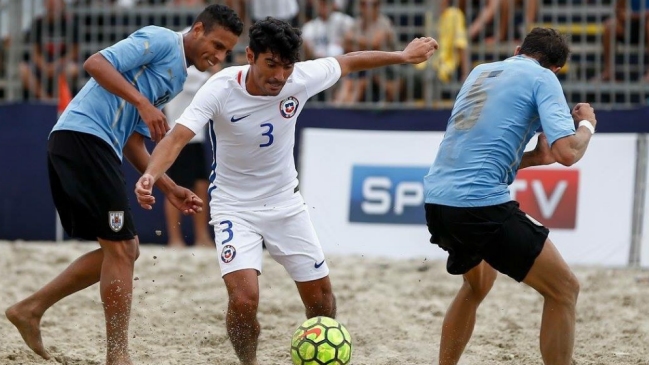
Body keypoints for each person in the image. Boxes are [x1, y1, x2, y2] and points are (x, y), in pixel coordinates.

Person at [134, 17, 437, 365]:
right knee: (245, 300)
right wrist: (150, 176)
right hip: (234, 207)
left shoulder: (301, 78)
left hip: (285, 204)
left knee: (322, 300)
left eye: (287, 67)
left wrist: (402, 55)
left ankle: (320, 355)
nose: (279, 76)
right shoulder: (219, 89)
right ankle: (248, 362)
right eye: (271, 65)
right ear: (250, 55)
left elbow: (351, 60)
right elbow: (176, 138)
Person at [4, 5, 242, 365]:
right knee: (122, 249)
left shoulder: (177, 79)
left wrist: (169, 187)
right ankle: (117, 356)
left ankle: (30, 309)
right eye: (218, 45)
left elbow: (133, 141)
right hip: (82, 138)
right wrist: (143, 102)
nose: (219, 56)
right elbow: (95, 63)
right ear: (197, 30)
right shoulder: (161, 39)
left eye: (227, 51)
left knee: (126, 249)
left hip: (95, 146)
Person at [423, 27, 596, 365]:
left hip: (437, 200)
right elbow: (567, 154)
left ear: (518, 49)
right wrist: (587, 125)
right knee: (564, 290)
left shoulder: (480, 72)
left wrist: (534, 158)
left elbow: (481, 151)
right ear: (556, 68)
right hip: (478, 207)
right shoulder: (543, 79)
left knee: (476, 286)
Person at [163, 60, 215, 248]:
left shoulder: (190, 71)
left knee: (201, 186)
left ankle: (201, 237)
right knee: (176, 188)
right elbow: (215, 80)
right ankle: (174, 239)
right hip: (179, 137)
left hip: (195, 137)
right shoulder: (184, 72)